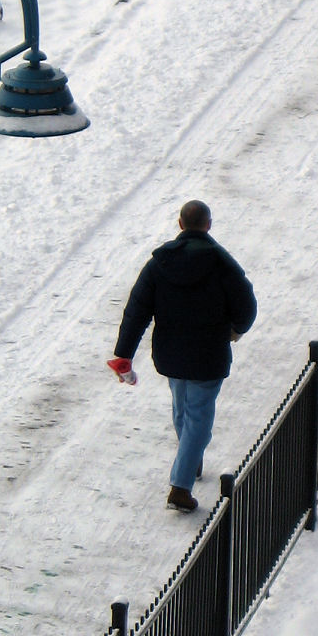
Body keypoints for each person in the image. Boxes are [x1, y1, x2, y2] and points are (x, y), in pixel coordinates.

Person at [108, 200, 257, 512]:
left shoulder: (159, 263)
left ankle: (190, 459)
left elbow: (137, 310)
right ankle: (180, 485)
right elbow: (246, 303)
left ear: (180, 224)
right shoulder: (221, 262)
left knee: (181, 410)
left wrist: (124, 353)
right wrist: (236, 328)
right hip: (209, 353)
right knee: (198, 417)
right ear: (208, 225)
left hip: (171, 353)